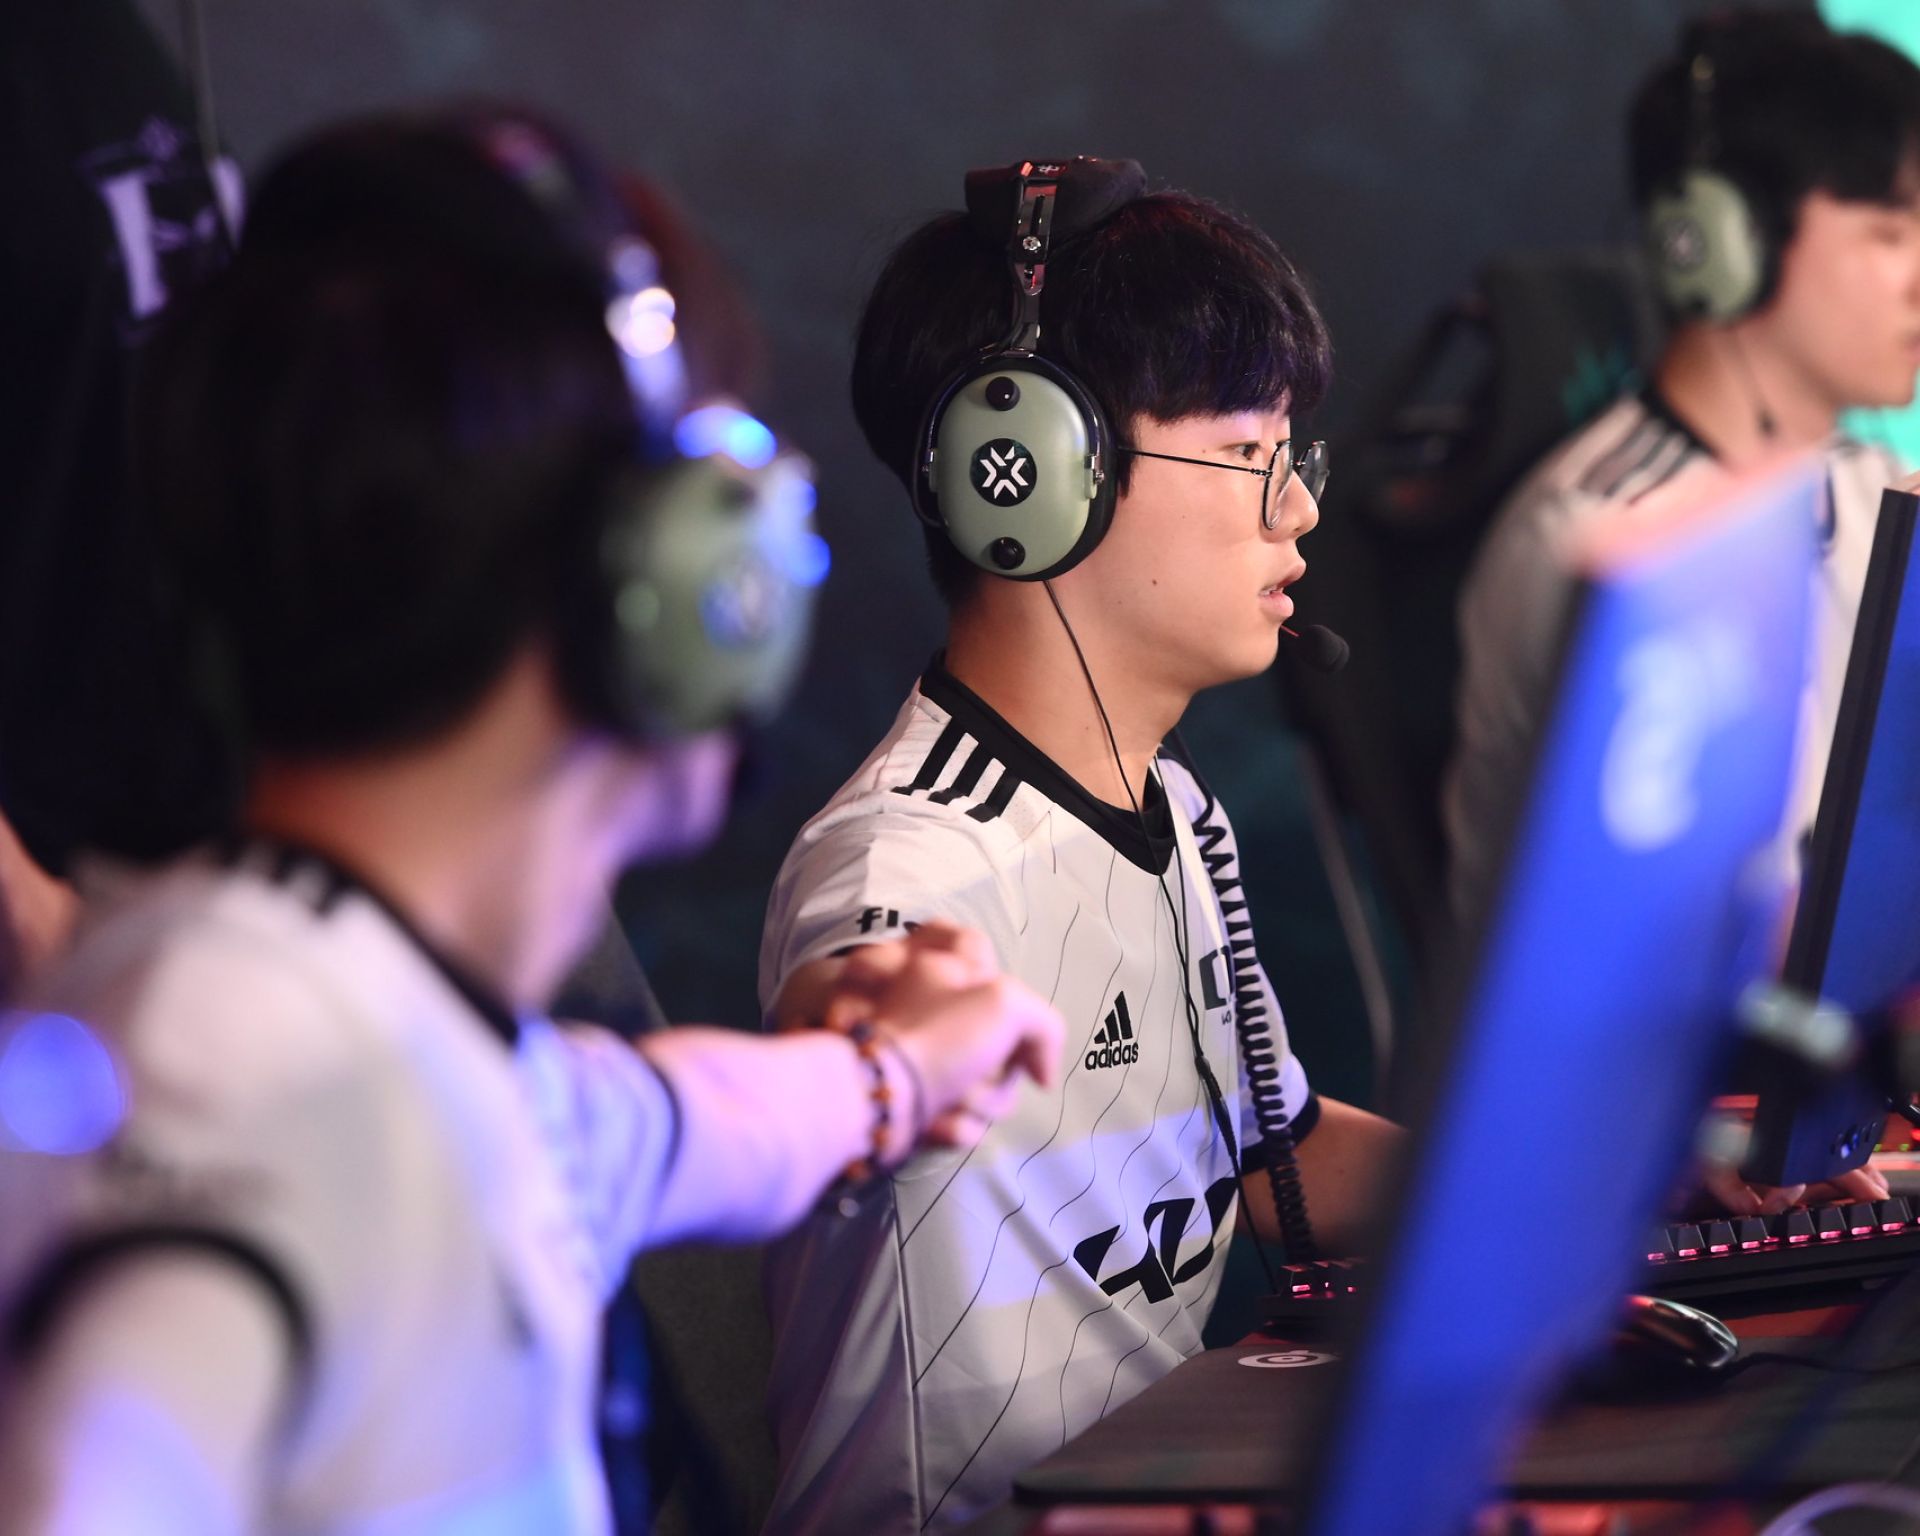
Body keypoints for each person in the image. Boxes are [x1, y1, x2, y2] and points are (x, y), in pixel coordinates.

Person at [0, 109, 1063, 1536]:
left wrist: (896, 1073)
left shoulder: (363, 1030)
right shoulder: (248, 1117)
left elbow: (686, 1126)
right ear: (683, 585)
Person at [756, 158, 1402, 1533]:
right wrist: (856, 1040)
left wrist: (1613, 1184)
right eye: (1249, 455)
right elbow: (849, 1006)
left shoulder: (1177, 815)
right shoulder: (909, 865)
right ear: (1036, 474)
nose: (1297, 509)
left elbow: (1270, 1155)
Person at [1447, 10, 1920, 942]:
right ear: (1724, 240)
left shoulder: (1876, 489)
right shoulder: (1606, 542)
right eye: (1889, 231)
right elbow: (1662, 946)